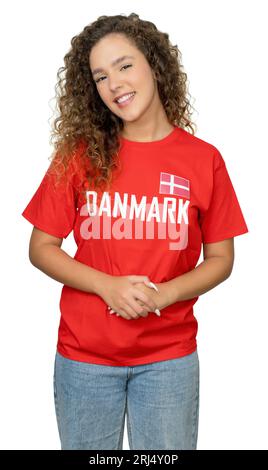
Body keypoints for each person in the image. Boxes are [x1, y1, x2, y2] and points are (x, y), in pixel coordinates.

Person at [21, 13, 249, 450]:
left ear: (154, 64)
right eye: (100, 76)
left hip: (169, 360)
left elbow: (221, 260)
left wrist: (164, 295)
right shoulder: (79, 156)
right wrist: (105, 286)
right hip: (84, 358)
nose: (115, 84)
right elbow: (42, 247)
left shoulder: (204, 160)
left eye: (125, 66)